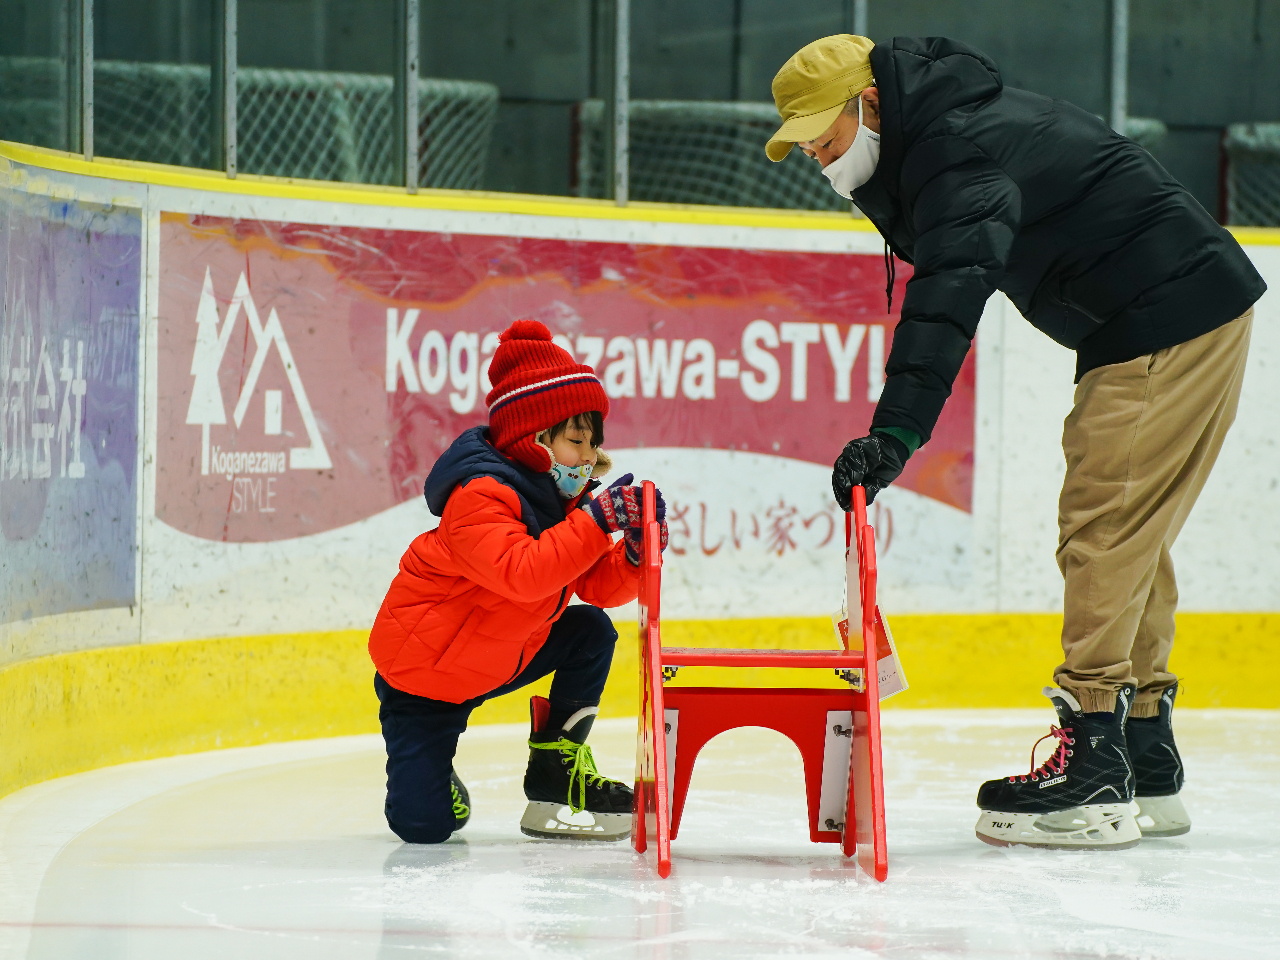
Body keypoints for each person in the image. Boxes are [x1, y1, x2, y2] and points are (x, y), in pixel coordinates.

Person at [767, 34, 1265, 848]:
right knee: (1133, 530)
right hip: (1180, 304)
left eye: (827, 134)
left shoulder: (956, 155)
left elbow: (950, 296)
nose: (820, 157)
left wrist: (893, 435)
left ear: (874, 104)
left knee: (1102, 527)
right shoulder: (949, 130)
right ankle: (1145, 753)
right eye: (807, 145)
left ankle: (1095, 767)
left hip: (1164, 313)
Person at [368, 319, 668, 844]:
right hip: (425, 680)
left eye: (594, 444)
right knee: (425, 826)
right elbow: (524, 574)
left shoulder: (562, 504)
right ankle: (434, 781)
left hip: (498, 656)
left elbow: (597, 586)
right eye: (578, 440)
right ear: (535, 438)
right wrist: (597, 521)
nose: (591, 457)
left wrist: (637, 555)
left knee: (591, 631)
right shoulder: (480, 496)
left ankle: (554, 769)